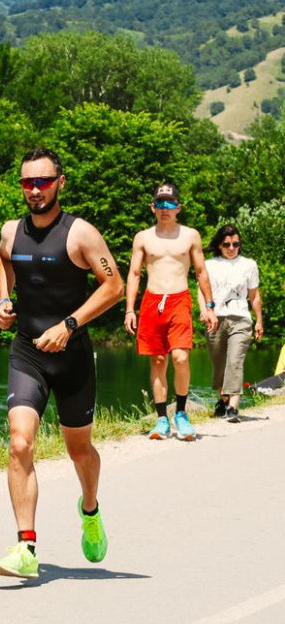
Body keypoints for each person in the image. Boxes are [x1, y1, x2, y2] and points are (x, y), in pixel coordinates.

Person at [0, 149, 124, 580]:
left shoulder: (81, 234)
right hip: (27, 350)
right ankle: (26, 546)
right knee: (19, 442)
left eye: (43, 182)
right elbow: (3, 259)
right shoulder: (12, 231)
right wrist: (4, 300)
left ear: (60, 183)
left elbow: (115, 285)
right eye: (27, 183)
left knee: (78, 449)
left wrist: (70, 324)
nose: (34, 190)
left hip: (72, 357)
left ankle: (89, 509)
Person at [123, 182, 217, 441]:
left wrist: (209, 307)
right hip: (152, 302)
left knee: (180, 358)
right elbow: (133, 274)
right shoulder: (142, 237)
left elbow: (201, 273)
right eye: (160, 204)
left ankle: (182, 414)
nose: (165, 209)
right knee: (158, 361)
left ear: (179, 208)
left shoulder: (190, 235)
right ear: (153, 207)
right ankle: (162, 418)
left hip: (179, 300)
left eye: (170, 204)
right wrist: (130, 309)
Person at [203, 223, 263, 421]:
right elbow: (202, 292)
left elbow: (254, 296)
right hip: (216, 318)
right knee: (219, 364)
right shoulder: (209, 265)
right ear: (219, 245)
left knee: (235, 361)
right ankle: (223, 399)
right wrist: (205, 311)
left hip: (241, 319)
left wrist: (259, 321)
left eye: (235, 244)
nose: (231, 248)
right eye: (227, 244)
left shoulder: (249, 264)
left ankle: (233, 407)